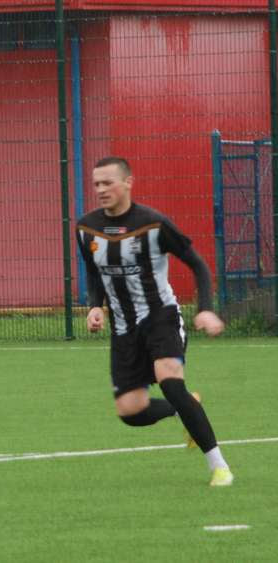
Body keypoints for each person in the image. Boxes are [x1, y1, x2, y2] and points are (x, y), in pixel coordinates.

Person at [75, 156, 233, 487]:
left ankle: (219, 466)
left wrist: (204, 308)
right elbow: (93, 271)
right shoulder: (86, 227)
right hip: (123, 329)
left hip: (161, 316)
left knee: (170, 381)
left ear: (128, 182)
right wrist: (94, 306)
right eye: (96, 184)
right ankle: (186, 408)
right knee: (130, 412)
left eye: (108, 183)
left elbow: (198, 265)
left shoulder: (154, 224)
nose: (101, 190)